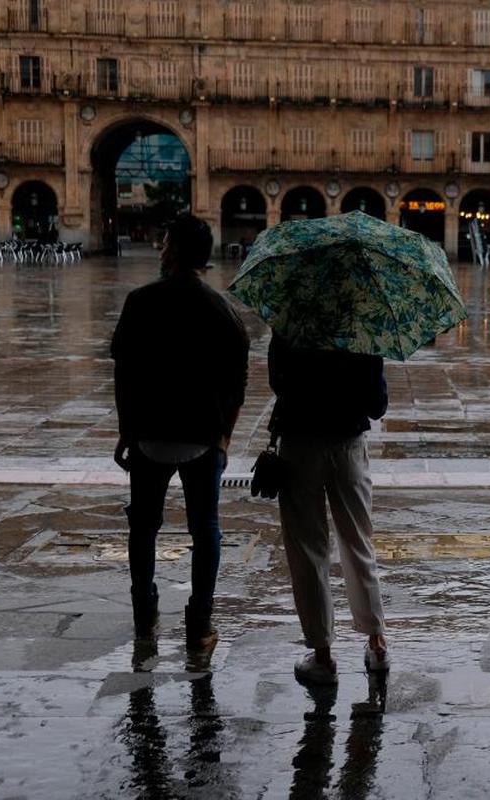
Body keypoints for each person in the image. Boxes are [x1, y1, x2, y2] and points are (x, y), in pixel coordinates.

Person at [110, 213, 250, 652]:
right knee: (205, 528)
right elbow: (238, 387)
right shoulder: (223, 311)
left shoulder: (140, 301)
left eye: (164, 241)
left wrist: (126, 431)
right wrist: (224, 439)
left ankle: (145, 613)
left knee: (144, 525)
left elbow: (124, 373)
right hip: (203, 438)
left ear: (173, 250)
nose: (160, 248)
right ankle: (199, 624)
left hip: (149, 434)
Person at [268, 338, 389, 684]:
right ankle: (377, 643)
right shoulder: (362, 325)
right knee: (358, 541)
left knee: (307, 548)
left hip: (299, 441)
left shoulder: (292, 319)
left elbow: (278, 381)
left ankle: (322, 656)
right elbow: (377, 405)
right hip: (347, 443)